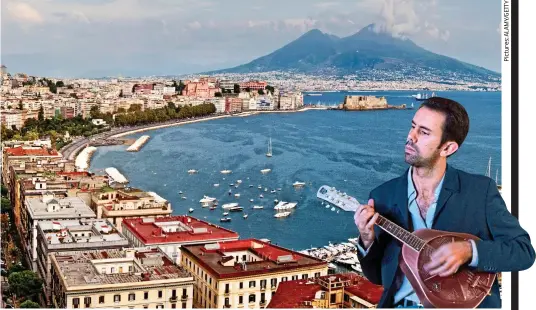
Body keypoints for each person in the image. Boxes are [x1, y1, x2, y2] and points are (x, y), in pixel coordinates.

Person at [354, 97, 534, 308]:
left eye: (424, 132)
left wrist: (469, 251)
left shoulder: (479, 192)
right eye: (413, 127)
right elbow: (377, 277)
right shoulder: (383, 195)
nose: (410, 137)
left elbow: (523, 252)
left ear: (448, 148)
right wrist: (367, 240)